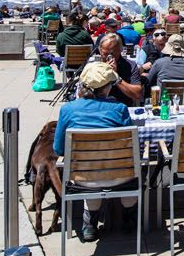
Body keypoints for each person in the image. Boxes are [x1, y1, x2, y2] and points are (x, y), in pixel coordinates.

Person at [54, 61, 138, 242]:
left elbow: (59, 148)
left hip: (83, 177)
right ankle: (128, 215)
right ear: (108, 87)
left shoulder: (67, 109)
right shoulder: (120, 109)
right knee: (131, 168)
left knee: (91, 173)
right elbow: (131, 145)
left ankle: (89, 223)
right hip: (120, 175)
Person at [85, 33, 143, 107]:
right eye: (105, 54)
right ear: (100, 50)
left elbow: (137, 95)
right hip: (97, 106)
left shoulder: (130, 66)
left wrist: (116, 77)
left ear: (120, 50)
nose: (108, 57)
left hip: (120, 106)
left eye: (112, 54)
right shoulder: (94, 66)